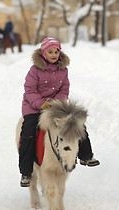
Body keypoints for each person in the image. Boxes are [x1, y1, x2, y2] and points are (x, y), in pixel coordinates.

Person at [19, 37, 100, 187]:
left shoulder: (63, 70)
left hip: (56, 106)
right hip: (34, 106)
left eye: (56, 51)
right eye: (50, 51)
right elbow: (29, 90)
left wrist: (55, 103)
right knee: (28, 133)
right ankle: (26, 172)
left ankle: (86, 155)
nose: (54, 54)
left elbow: (64, 89)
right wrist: (41, 104)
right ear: (43, 53)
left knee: (76, 123)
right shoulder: (34, 70)